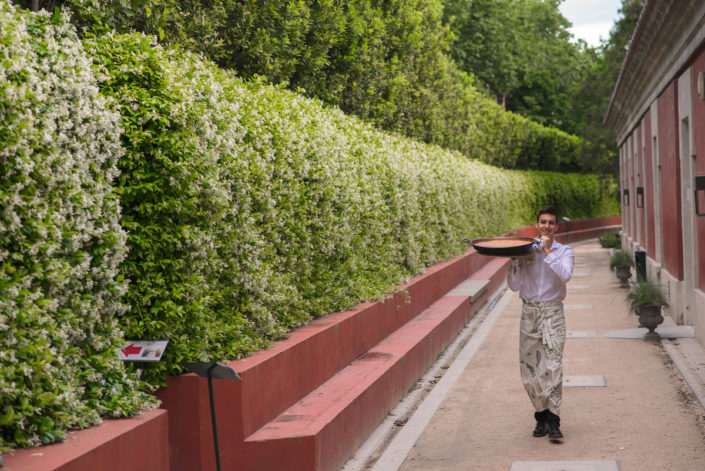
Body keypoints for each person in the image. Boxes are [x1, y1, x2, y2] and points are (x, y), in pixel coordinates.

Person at [507, 205, 574, 442]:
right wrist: (515, 260)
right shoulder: (526, 251)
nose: (546, 226)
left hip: (554, 313)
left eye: (551, 222)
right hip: (530, 313)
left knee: (553, 365)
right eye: (543, 221)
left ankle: (554, 422)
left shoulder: (564, 251)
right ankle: (541, 415)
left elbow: (565, 275)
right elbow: (514, 286)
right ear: (537, 224)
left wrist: (548, 253)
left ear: (556, 227)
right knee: (530, 369)